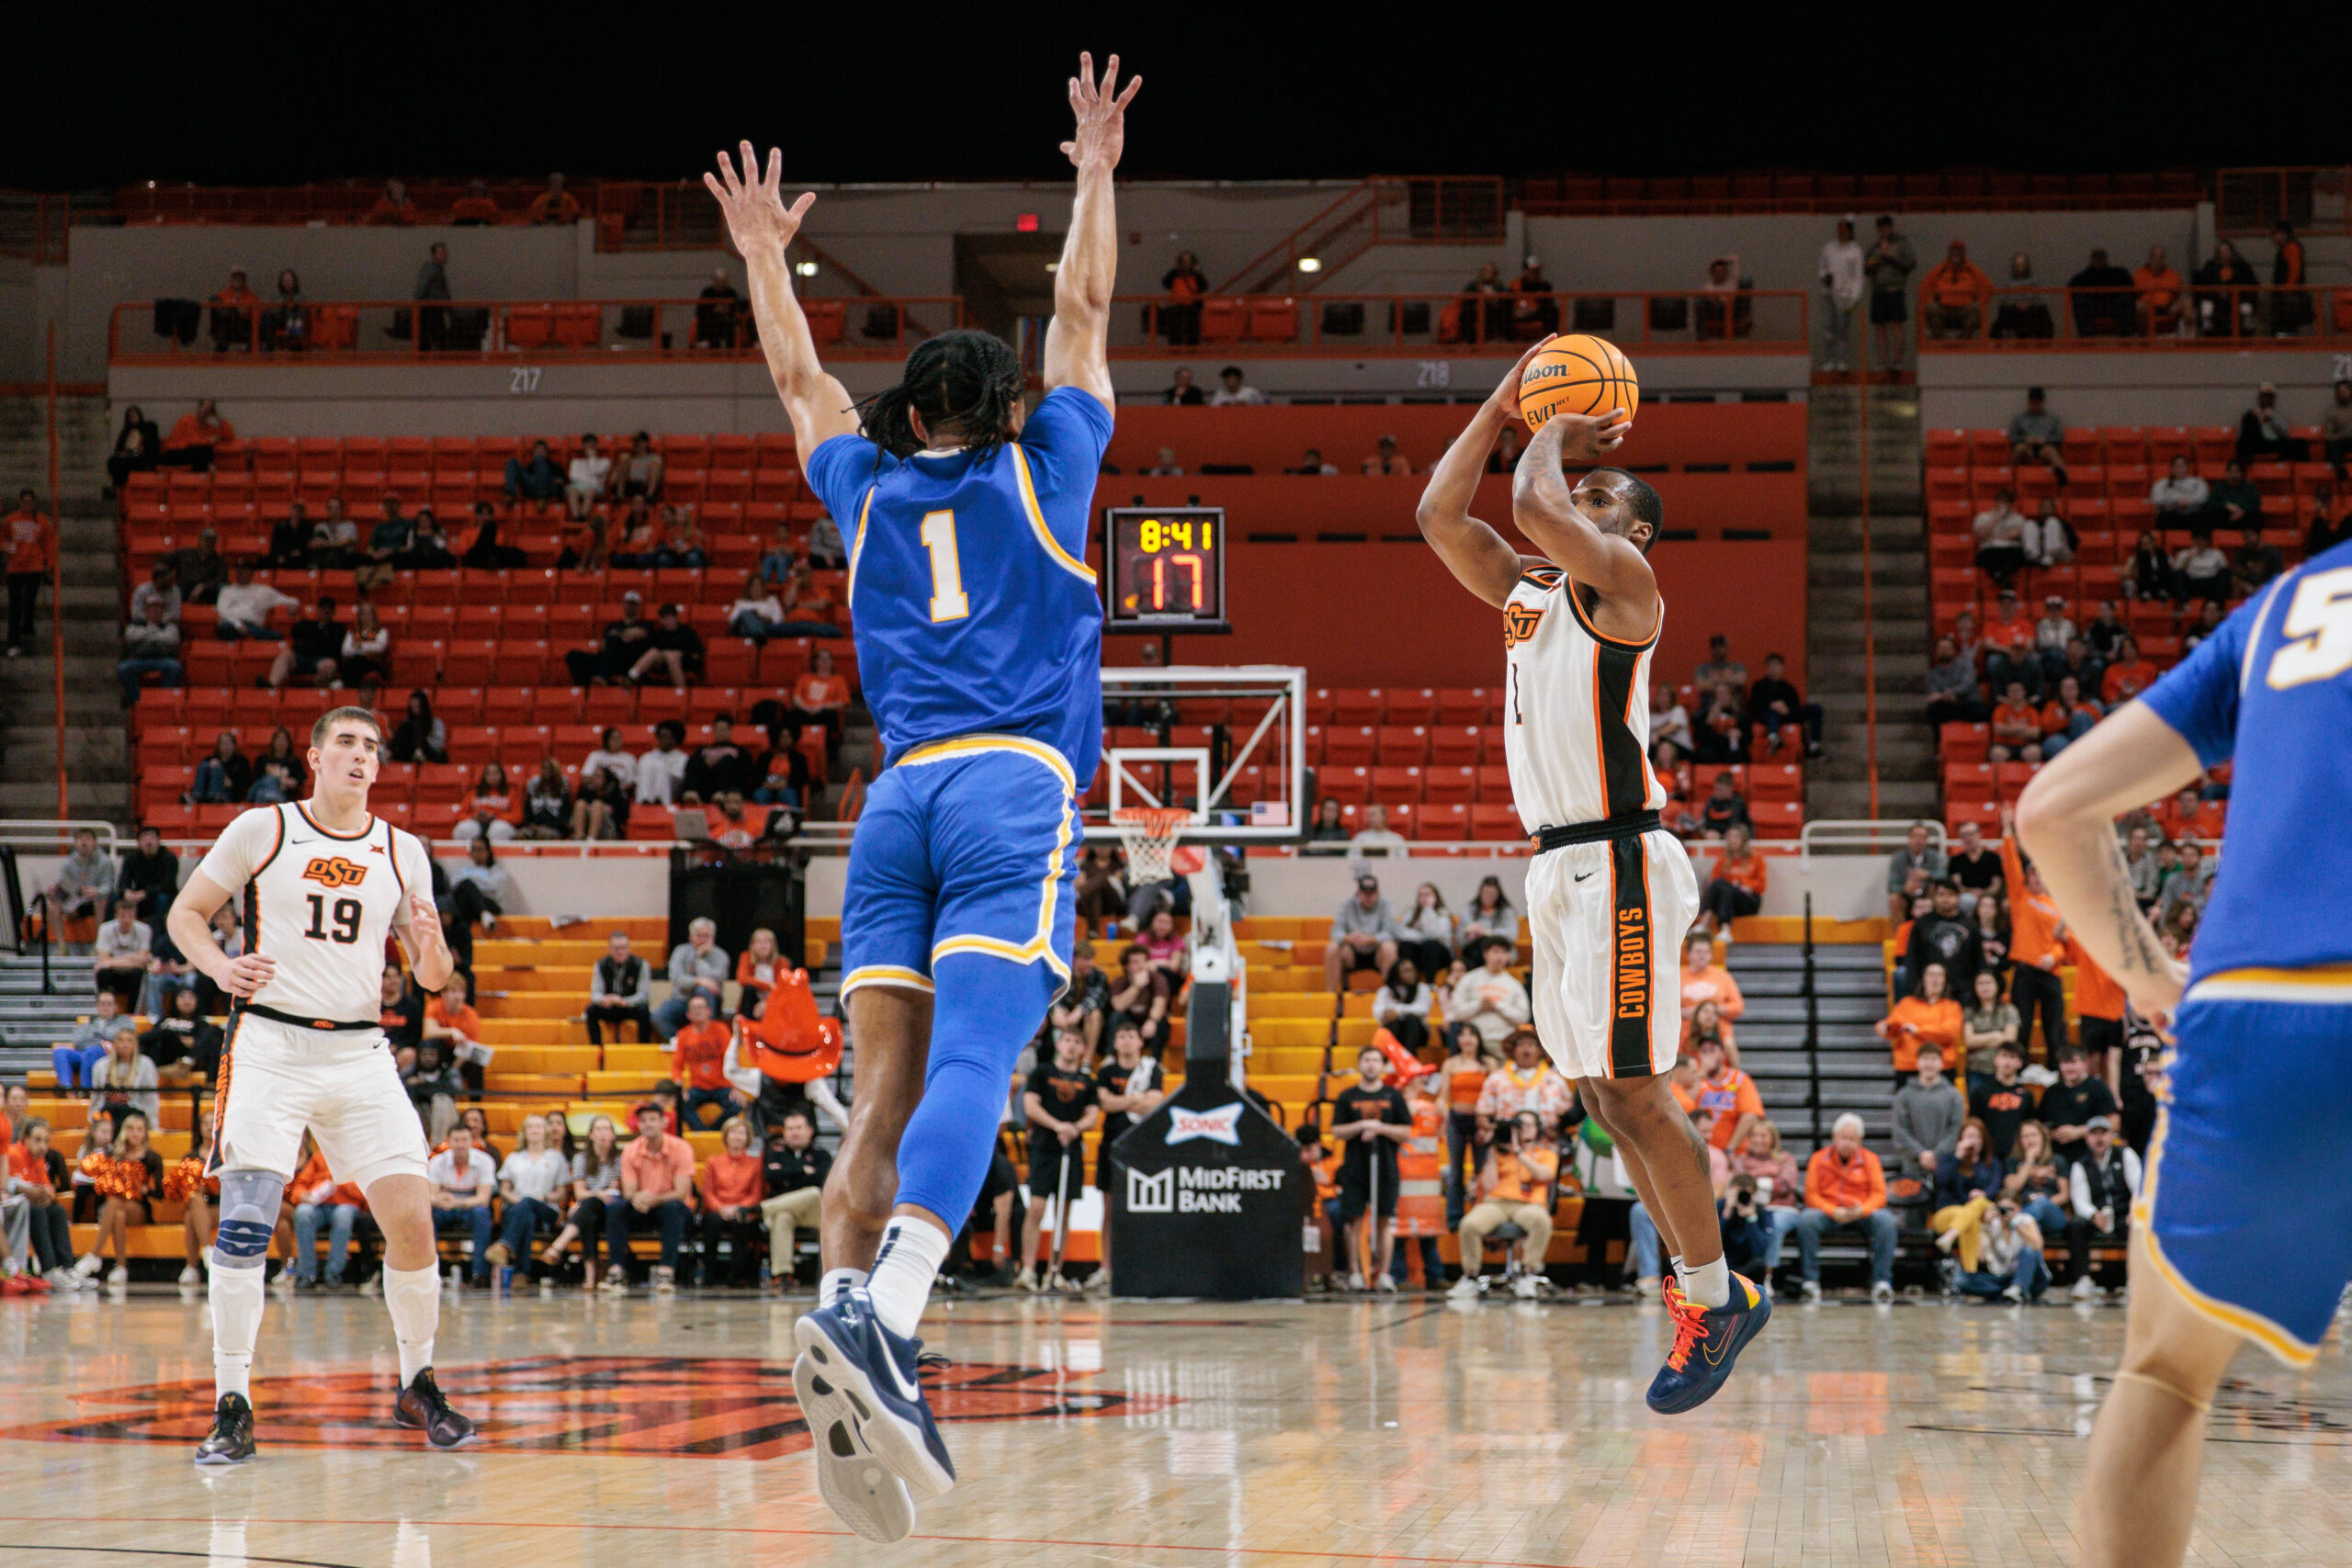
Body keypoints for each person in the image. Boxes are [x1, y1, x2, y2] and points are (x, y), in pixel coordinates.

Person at [707, 64, 1136, 1538]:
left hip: (892, 803)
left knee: (881, 1095)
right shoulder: (1049, 463)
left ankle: (844, 1320)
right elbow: (1084, 309)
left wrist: (766, 257)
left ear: (912, 413)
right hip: (1013, 785)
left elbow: (799, 380)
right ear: (1005, 408)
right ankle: (887, 1314)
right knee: (979, 1063)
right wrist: (1093, 172)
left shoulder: (865, 487)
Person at [1416, 336, 1765, 1412]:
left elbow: (1533, 505)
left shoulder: (1627, 588)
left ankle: (1716, 1297)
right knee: (1605, 1100)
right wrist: (1501, 404)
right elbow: (1439, 515)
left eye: (1601, 496)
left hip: (1619, 855)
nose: (1579, 494)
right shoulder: (1529, 594)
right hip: (1557, 865)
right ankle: (1705, 1292)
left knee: (1639, 1092)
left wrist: (1556, 430)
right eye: (1582, 485)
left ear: (1633, 533)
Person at [163, 706, 472, 1459]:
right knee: (246, 1220)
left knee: (413, 1219)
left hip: (360, 1049)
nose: (361, 756)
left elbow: (435, 976)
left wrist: (434, 951)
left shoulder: (402, 849)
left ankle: (418, 1383)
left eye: (372, 747)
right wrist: (220, 966)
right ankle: (232, 1402)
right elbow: (186, 914)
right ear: (314, 756)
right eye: (347, 743)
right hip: (270, 1041)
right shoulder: (262, 828)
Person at [1013, 1028, 1099, 1292]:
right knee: (1036, 1208)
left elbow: (1092, 1115)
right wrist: (1057, 1126)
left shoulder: (1087, 1081)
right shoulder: (1042, 1073)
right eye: (1068, 1040)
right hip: (1044, 1148)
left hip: (1071, 1151)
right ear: (1059, 1044)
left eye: (1077, 1042)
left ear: (1083, 1049)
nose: (1072, 1046)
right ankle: (1028, 1270)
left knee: (1064, 1212)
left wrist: (1074, 1129)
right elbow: (1030, 1106)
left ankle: (1055, 1271)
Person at [1329, 1044, 1411, 1292]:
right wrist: (1362, 1125)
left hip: (1386, 1167)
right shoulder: (1347, 1096)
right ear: (1359, 1064)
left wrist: (1380, 1128)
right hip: (1355, 1168)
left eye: (1376, 1060)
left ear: (1382, 1065)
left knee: (1385, 1221)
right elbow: (1337, 1130)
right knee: (1353, 1221)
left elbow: (1405, 1131)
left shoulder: (1393, 1096)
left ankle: (1384, 1274)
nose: (1371, 1065)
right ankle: (1355, 1273)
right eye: (1366, 1060)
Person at [1452, 1110, 1558, 1298]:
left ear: (1537, 1129)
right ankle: (1470, 1277)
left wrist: (1519, 1152)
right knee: (1469, 1224)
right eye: (1520, 1125)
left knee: (1542, 1221)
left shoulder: (1546, 1153)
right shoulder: (1498, 1153)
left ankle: (1528, 1274)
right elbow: (1488, 1185)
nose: (1525, 1129)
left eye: (1529, 1125)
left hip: (1529, 1205)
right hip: (1497, 1203)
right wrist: (1492, 1152)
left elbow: (1544, 1175)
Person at [1793, 1113, 1895, 1303]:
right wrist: (1833, 1210)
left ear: (1860, 1140)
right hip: (1829, 1213)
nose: (1847, 1143)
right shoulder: (1818, 1158)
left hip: (1860, 1212)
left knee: (1886, 1221)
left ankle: (1881, 1282)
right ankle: (1810, 1282)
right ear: (1834, 1137)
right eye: (1844, 1138)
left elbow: (1880, 1195)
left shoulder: (1871, 1159)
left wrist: (1862, 1210)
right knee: (1807, 1220)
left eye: (1852, 1139)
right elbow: (1811, 1195)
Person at [606, 1100, 696, 1292]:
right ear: (638, 1125)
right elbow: (629, 1191)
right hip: (643, 1207)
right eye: (644, 1120)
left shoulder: (681, 1148)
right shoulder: (630, 1149)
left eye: (653, 1120)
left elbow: (681, 1193)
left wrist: (652, 1199)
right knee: (616, 1208)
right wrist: (637, 1199)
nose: (648, 1124)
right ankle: (616, 1270)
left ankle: (666, 1272)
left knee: (672, 1209)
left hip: (673, 1208)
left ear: (663, 1123)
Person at [2061, 1114, 2142, 1301]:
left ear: (2112, 1135)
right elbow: (2079, 1200)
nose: (2099, 1138)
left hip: (2123, 1213)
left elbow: (2139, 1188)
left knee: (2137, 1225)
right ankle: (2083, 1279)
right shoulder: (2080, 1164)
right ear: (2087, 1138)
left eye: (2103, 1133)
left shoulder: (2125, 1155)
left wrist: (2134, 1211)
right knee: (2076, 1224)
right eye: (2094, 1134)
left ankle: (2134, 1279)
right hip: (2097, 1215)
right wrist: (2093, 1214)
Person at [760, 1107, 831, 1292]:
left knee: (814, 1193)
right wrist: (803, 1172)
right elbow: (771, 1177)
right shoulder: (774, 1153)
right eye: (790, 1129)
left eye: (799, 1128)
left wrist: (787, 1175)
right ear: (784, 1133)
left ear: (810, 1131)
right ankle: (783, 1275)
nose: (795, 1133)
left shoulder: (822, 1155)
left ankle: (760, 1209)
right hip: (785, 1211)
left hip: (814, 1212)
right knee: (783, 1216)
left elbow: (821, 1180)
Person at [696, 1117, 766, 1288]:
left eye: (741, 1133)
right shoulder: (713, 1161)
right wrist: (720, 1208)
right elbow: (708, 1192)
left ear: (747, 1138)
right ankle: (709, 1274)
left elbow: (756, 1194)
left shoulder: (756, 1164)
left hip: (743, 1209)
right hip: (718, 1208)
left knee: (741, 1221)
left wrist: (739, 1208)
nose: (737, 1137)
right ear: (726, 1136)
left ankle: (736, 1275)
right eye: (733, 1132)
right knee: (712, 1221)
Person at [1893, 1042, 1968, 1179]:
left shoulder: (1954, 1096)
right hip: (1912, 1167)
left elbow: (1956, 1129)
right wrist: (1921, 1154)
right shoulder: (1904, 1095)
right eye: (1925, 1059)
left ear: (1941, 1063)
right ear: (1917, 1063)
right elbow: (1900, 1130)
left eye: (1934, 1059)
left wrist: (1936, 1154)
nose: (1929, 1064)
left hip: (1946, 1165)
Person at [1443, 937, 1531, 1049]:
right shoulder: (1469, 979)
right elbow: (1457, 1012)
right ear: (1485, 954)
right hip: (1472, 1043)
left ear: (1508, 956)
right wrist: (1479, 1005)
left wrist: (1497, 1006)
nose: (1500, 956)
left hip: (1503, 1043)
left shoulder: (1515, 985)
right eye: (1495, 951)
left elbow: (1523, 1017)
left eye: (1504, 952)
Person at [1324, 874, 1401, 992]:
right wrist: (1348, 938)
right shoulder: (1347, 905)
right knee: (1332, 948)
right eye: (1365, 893)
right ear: (1358, 893)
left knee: (1389, 948)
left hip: (1377, 952)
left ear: (1378, 893)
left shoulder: (1386, 905)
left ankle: (1389, 994)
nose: (1368, 897)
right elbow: (1335, 932)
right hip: (1352, 952)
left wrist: (1372, 939)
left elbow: (1391, 932)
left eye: (1372, 893)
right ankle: (1332, 994)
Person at [653, 918, 729, 1035]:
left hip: (709, 1003)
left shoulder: (721, 956)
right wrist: (699, 981)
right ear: (690, 937)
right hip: (682, 1000)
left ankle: (706, 1039)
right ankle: (680, 1042)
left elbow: (715, 983)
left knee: (703, 990)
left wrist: (699, 958)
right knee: (658, 1016)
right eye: (699, 936)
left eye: (706, 936)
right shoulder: (680, 951)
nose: (703, 940)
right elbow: (678, 980)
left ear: (712, 938)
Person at [1861, 215, 1915, 369]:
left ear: (1891, 228)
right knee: (1879, 327)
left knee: (1896, 325)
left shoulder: (1901, 243)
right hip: (1879, 290)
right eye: (1880, 229)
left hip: (1895, 289)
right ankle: (1882, 361)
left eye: (1885, 228)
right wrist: (1874, 263)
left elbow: (1909, 265)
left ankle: (1898, 360)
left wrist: (1890, 258)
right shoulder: (1874, 247)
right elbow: (1867, 269)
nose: (1883, 232)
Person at [587, 931, 657, 1046]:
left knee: (644, 1010)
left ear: (629, 949)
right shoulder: (601, 965)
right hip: (610, 1005)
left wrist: (625, 1002)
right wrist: (604, 999)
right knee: (591, 1010)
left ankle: (643, 1048)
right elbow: (595, 993)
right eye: (616, 949)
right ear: (609, 949)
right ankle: (597, 1050)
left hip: (630, 1005)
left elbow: (643, 994)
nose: (620, 952)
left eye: (623, 948)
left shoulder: (641, 964)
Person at [117, 593, 182, 707]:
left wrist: (147, 635)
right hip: (139, 660)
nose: (155, 611)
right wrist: (155, 632)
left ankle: (163, 700)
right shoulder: (136, 625)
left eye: (158, 608)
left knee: (175, 667)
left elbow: (172, 639)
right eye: (152, 608)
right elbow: (131, 636)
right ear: (146, 611)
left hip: (162, 659)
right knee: (123, 668)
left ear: (163, 611)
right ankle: (137, 701)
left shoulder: (170, 627)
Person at [1815, 216, 1863, 371]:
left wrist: (1854, 297)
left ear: (1849, 231)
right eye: (1839, 229)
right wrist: (1824, 278)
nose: (1841, 232)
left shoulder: (1856, 251)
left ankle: (1842, 360)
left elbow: (1858, 276)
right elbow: (1822, 267)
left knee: (1842, 330)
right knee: (1829, 328)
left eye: (1844, 229)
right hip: (1829, 294)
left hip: (1845, 296)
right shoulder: (1829, 248)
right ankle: (1830, 360)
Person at [1919, 238, 1992, 339]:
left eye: (1959, 251)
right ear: (1949, 253)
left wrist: (1978, 301)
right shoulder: (1939, 271)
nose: (1956, 254)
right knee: (1932, 308)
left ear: (1963, 254)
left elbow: (1988, 288)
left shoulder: (1972, 271)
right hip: (1943, 310)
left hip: (1965, 310)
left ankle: (1962, 341)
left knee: (1977, 308)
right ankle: (1942, 341)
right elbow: (1923, 288)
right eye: (1953, 251)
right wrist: (1932, 300)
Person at [2007, 387, 2068, 478]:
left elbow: (2059, 436)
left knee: (2052, 452)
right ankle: (2009, 477)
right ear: (2029, 402)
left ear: (2042, 402)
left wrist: (2045, 439)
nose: (2035, 405)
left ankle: (2061, 475)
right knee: (2019, 449)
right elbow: (2012, 436)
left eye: (2038, 402)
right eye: (2033, 402)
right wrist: (2025, 439)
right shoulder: (2020, 419)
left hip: (2045, 447)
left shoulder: (2052, 419)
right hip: (2027, 447)